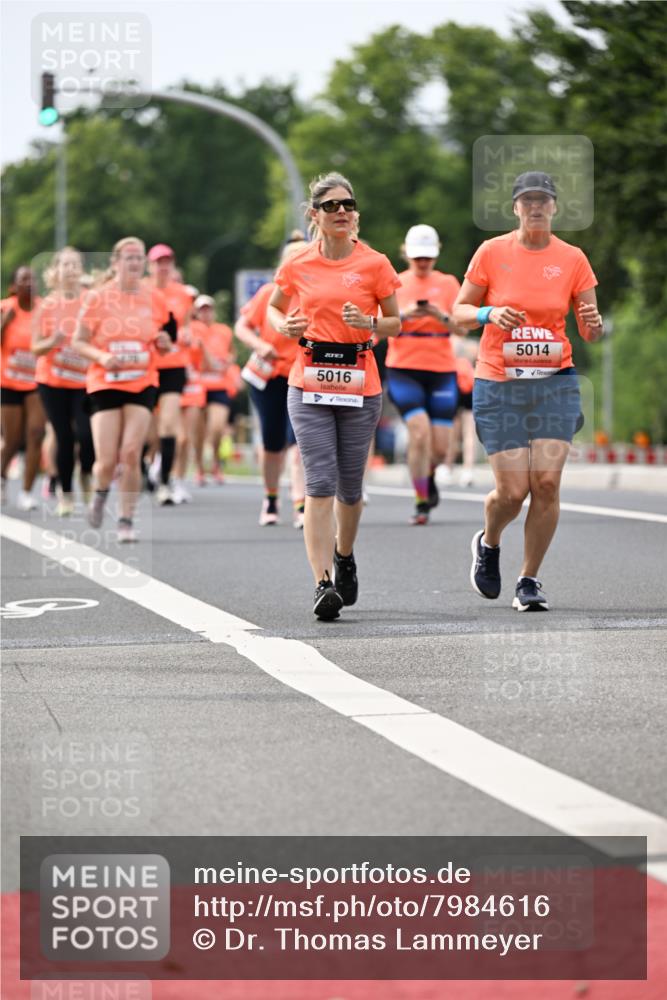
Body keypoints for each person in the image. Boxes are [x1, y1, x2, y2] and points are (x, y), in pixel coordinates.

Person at [452, 171, 603, 611]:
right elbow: (459, 313)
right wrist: (489, 313)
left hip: (554, 382)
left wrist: (594, 325)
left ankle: (528, 580)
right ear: (515, 207)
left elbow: (590, 330)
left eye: (543, 200)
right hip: (499, 382)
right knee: (512, 492)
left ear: (554, 206)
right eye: (527, 200)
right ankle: (489, 541)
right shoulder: (492, 252)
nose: (536, 207)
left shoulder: (573, 258)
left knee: (547, 484)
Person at [268, 172, 401, 620]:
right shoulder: (299, 263)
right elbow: (274, 306)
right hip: (308, 382)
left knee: (350, 487)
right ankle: (322, 583)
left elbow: (395, 322)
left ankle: (344, 555)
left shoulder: (375, 263)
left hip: (360, 383)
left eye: (348, 204)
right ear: (315, 214)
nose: (341, 211)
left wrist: (370, 324)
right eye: (331, 206)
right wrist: (283, 325)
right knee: (319, 482)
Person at [72, 237, 172, 542]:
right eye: (129, 257)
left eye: (139, 257)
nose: (135, 263)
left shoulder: (153, 297)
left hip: (142, 380)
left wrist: (163, 343)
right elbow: (78, 341)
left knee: (130, 453)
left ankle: (126, 519)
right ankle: (100, 492)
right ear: (115, 263)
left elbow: (163, 338)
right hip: (105, 382)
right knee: (106, 460)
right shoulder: (98, 298)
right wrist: (102, 357)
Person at [385, 224, 466, 525]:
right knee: (419, 432)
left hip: (441, 368)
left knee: (441, 447)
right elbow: (379, 326)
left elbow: (462, 327)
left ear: (436, 254)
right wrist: (404, 314)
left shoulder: (448, 283)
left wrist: (438, 315)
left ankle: (427, 475)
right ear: (406, 254)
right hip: (403, 366)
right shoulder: (394, 282)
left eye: (428, 257)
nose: (422, 262)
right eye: (417, 257)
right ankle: (421, 501)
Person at [235, 233, 307, 528]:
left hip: (302, 376)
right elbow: (242, 326)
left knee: (299, 443)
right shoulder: (269, 293)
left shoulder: (316, 294)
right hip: (268, 376)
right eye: (292, 257)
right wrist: (259, 345)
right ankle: (271, 497)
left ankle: (301, 505)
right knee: (272, 443)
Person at [32, 247, 94, 515]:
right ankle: (65, 494)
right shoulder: (46, 305)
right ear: (55, 271)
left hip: (84, 381)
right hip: (52, 382)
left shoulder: (91, 301)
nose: (70, 269)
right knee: (64, 437)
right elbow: (35, 348)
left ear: (81, 269)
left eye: (75, 264)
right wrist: (52, 342)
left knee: (87, 434)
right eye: (65, 264)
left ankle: (87, 472)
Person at [146, 244, 193, 505]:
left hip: (174, 365)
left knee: (168, 423)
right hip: (146, 366)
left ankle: (165, 482)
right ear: (149, 265)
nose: (163, 267)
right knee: (148, 431)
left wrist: (186, 333)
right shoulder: (141, 290)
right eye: (158, 262)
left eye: (167, 262)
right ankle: (145, 467)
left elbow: (186, 326)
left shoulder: (183, 294)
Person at [1, 266, 46, 509]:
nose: (29, 283)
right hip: (8, 382)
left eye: (32, 278)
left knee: (36, 434)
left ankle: (27, 492)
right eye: (23, 279)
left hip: (36, 382)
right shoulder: (5, 308)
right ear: (13, 286)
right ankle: (2, 477)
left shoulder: (44, 308)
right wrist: (3, 324)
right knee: (12, 440)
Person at [189, 295, 236, 486]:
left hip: (219, 384)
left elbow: (232, 352)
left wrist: (229, 361)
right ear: (196, 312)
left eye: (208, 309)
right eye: (201, 310)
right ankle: (200, 468)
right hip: (198, 384)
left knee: (217, 427)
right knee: (198, 431)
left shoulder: (224, 330)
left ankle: (216, 463)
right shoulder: (192, 329)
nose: (205, 313)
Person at [443, 335, 478, 488]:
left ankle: (448, 467)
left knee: (452, 432)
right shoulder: (472, 345)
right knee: (469, 432)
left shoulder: (448, 341)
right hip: (470, 385)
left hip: (454, 384)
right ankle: (468, 470)